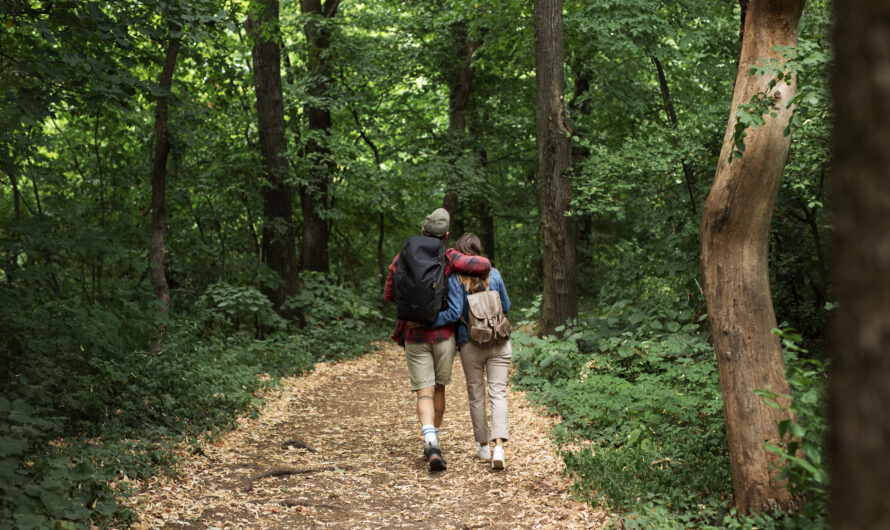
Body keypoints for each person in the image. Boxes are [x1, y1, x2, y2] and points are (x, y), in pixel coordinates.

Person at [383, 208, 491, 471]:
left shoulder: (403, 256)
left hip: (414, 333)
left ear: (422, 231)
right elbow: (484, 265)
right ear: (446, 235)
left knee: (424, 391)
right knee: (439, 388)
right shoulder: (449, 256)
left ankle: (430, 440)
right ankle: (434, 440)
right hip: (443, 336)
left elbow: (389, 293)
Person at [427, 233, 511, 469]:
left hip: (470, 342)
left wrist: (429, 320)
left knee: (476, 395)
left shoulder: (455, 278)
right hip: (499, 340)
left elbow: (454, 314)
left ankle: (483, 447)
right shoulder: (494, 274)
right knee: (498, 394)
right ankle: (499, 448)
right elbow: (506, 306)